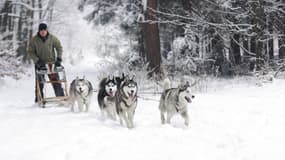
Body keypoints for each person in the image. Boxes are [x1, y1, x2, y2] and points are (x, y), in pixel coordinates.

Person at [27, 23, 64, 102]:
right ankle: (39, 99)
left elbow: (59, 47)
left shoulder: (52, 38)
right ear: (39, 31)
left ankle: (61, 98)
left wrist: (59, 58)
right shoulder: (34, 40)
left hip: (51, 64)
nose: (43, 32)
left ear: (47, 30)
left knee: (56, 81)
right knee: (40, 83)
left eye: (44, 30)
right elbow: (30, 52)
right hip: (40, 64)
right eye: (41, 30)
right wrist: (37, 61)